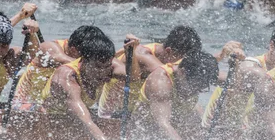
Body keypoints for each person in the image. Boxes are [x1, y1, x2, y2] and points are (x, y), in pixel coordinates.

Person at [98, 25, 239, 118]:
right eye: (184, 58)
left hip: (141, 109)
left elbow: (192, 68)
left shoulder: (171, 58)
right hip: (114, 113)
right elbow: (180, 69)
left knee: (192, 103)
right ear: (169, 51)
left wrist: (223, 61)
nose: (186, 63)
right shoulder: (143, 55)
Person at [39, 27, 136, 140]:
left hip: (74, 123)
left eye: (106, 67)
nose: (102, 72)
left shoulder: (110, 66)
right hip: (49, 123)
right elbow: (85, 120)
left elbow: (133, 77)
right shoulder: (67, 75)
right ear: (83, 60)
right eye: (97, 67)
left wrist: (132, 52)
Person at [132, 50, 219, 140]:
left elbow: (226, 80)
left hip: (178, 126)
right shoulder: (161, 82)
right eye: (193, 87)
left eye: (200, 89)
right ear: (181, 72)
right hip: (149, 138)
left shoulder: (196, 74)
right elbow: (163, 124)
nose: (194, 92)